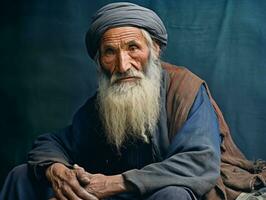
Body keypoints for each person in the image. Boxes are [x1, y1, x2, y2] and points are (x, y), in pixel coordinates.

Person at [3, 2, 265, 200]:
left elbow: (200, 162)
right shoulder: (103, 103)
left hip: (171, 192)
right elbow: (52, 143)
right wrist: (56, 171)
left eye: (132, 48)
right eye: (109, 52)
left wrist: (112, 183)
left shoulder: (185, 88)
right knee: (23, 175)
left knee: (172, 195)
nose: (122, 65)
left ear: (154, 50)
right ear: (99, 62)